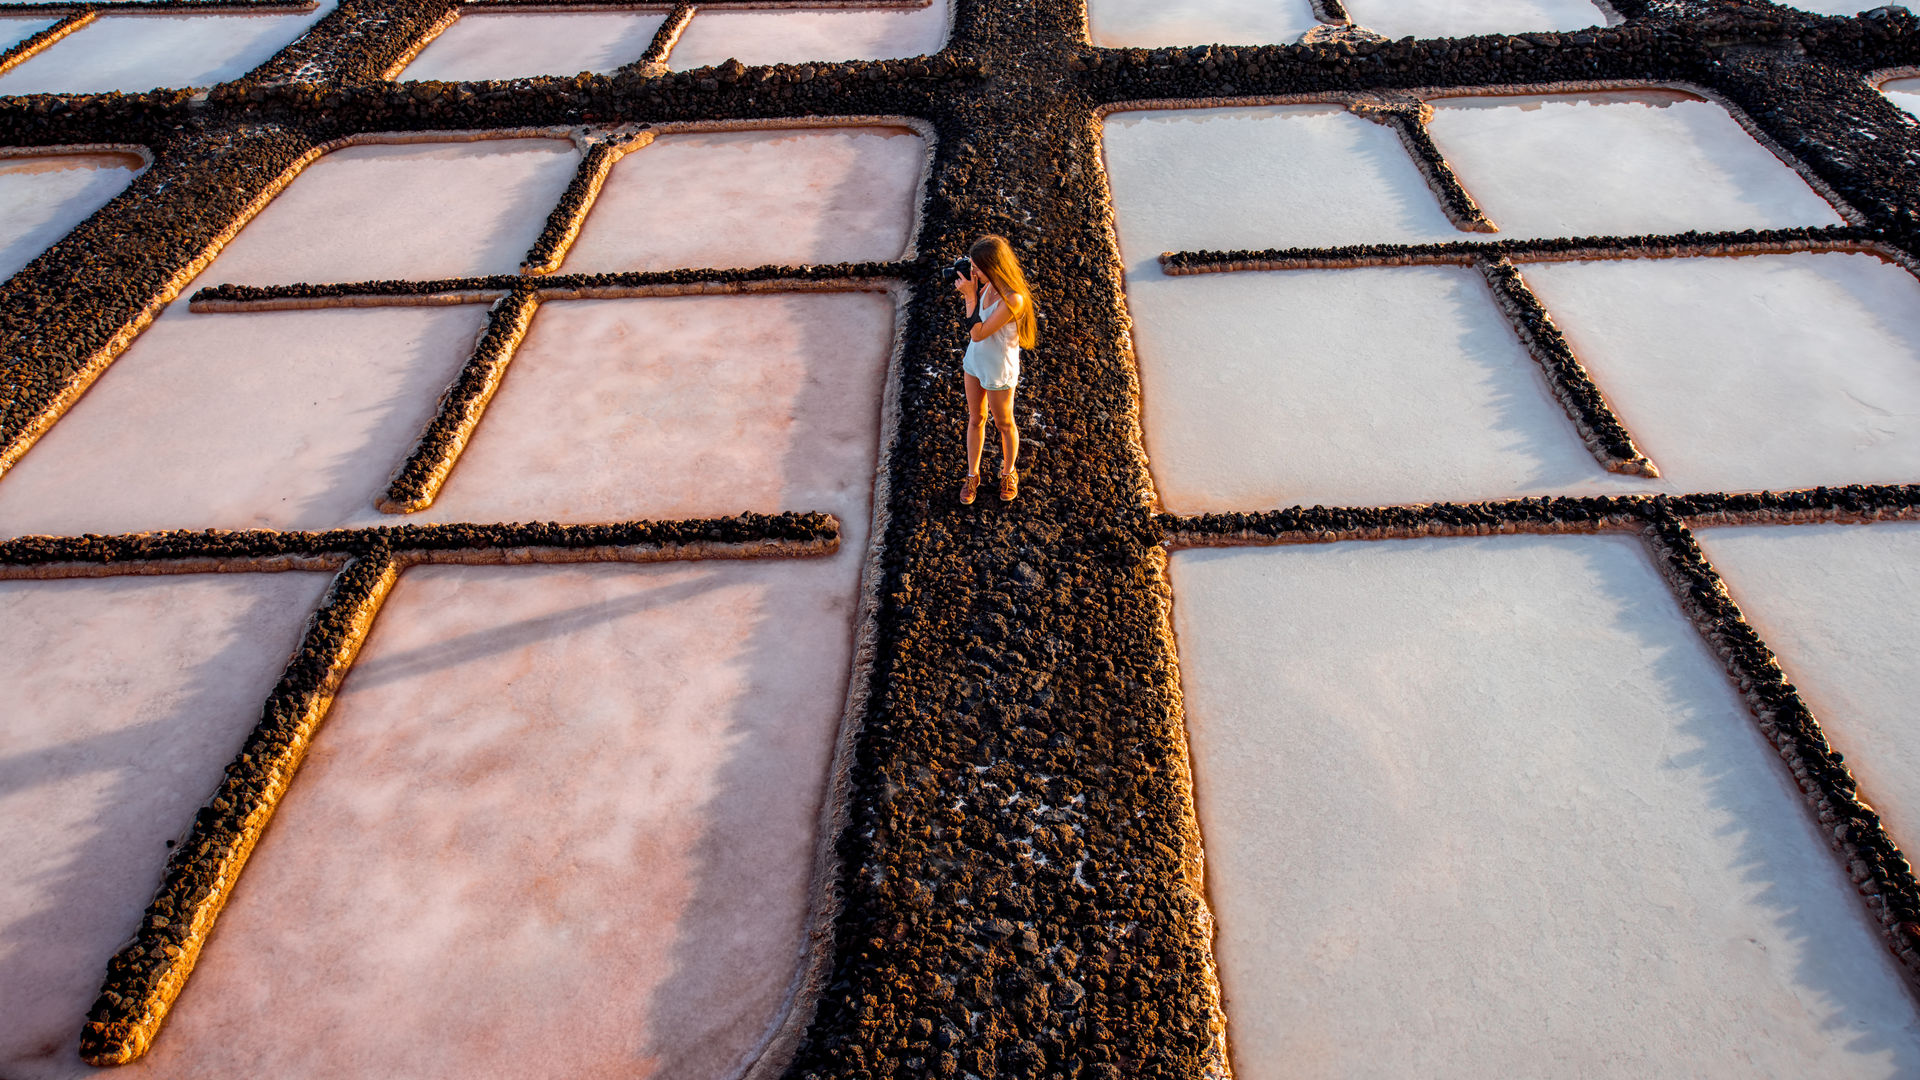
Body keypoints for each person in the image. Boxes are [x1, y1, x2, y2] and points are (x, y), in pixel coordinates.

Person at [952, 234, 1037, 504]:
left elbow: (978, 332)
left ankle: (1009, 472)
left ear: (993, 266)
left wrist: (968, 297)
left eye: (977, 267)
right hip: (975, 363)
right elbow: (976, 337)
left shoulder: (1013, 299)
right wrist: (973, 288)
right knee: (976, 419)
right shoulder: (985, 285)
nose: (972, 271)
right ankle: (972, 475)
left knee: (1003, 423)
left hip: (999, 369)